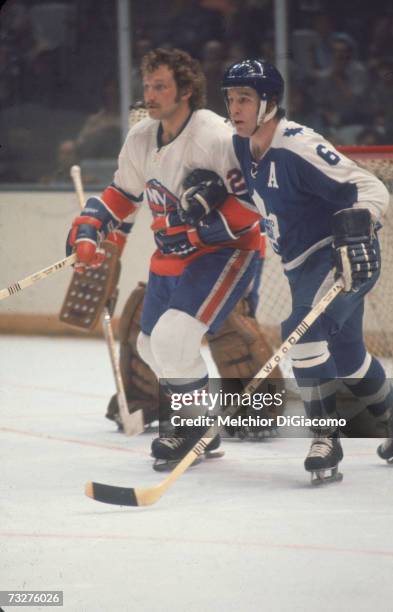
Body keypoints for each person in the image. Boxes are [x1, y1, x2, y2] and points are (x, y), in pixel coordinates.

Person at [66, 48, 265, 471]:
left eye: (161, 86)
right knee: (150, 343)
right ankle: (202, 425)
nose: (150, 95)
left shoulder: (214, 136)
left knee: (174, 339)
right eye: (147, 86)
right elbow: (123, 195)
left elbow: (253, 206)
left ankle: (192, 430)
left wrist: (195, 229)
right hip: (173, 258)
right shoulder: (141, 137)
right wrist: (90, 226)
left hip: (225, 253)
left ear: (187, 90)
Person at [221, 58, 393, 483]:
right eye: (231, 99)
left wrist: (358, 220)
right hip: (301, 266)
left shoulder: (298, 146)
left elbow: (371, 187)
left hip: (344, 256)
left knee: (301, 330)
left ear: (269, 103)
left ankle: (326, 438)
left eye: (245, 99)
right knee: (346, 356)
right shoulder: (240, 143)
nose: (235, 108)